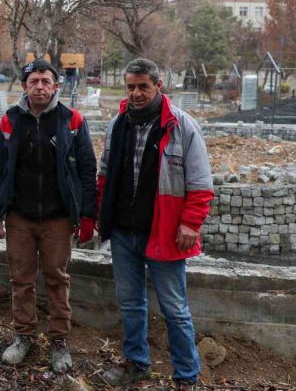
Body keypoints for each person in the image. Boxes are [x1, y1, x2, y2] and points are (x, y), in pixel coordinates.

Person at [97, 58, 213, 389]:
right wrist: (98, 216)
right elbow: (105, 176)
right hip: (123, 233)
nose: (136, 93)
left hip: (164, 234)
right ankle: (136, 363)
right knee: (131, 305)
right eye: (130, 87)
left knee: (175, 310)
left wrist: (190, 224)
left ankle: (187, 377)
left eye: (143, 87)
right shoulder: (118, 124)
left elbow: (202, 184)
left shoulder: (182, 126)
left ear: (158, 86)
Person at [0, 59, 97, 373]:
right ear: (24, 86)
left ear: (55, 86)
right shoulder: (10, 121)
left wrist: (86, 215)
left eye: (46, 81)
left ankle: (59, 342)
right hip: (19, 216)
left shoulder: (71, 120)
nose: (39, 87)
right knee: (21, 280)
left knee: (57, 279)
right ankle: (23, 336)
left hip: (58, 218)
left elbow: (87, 169)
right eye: (33, 81)